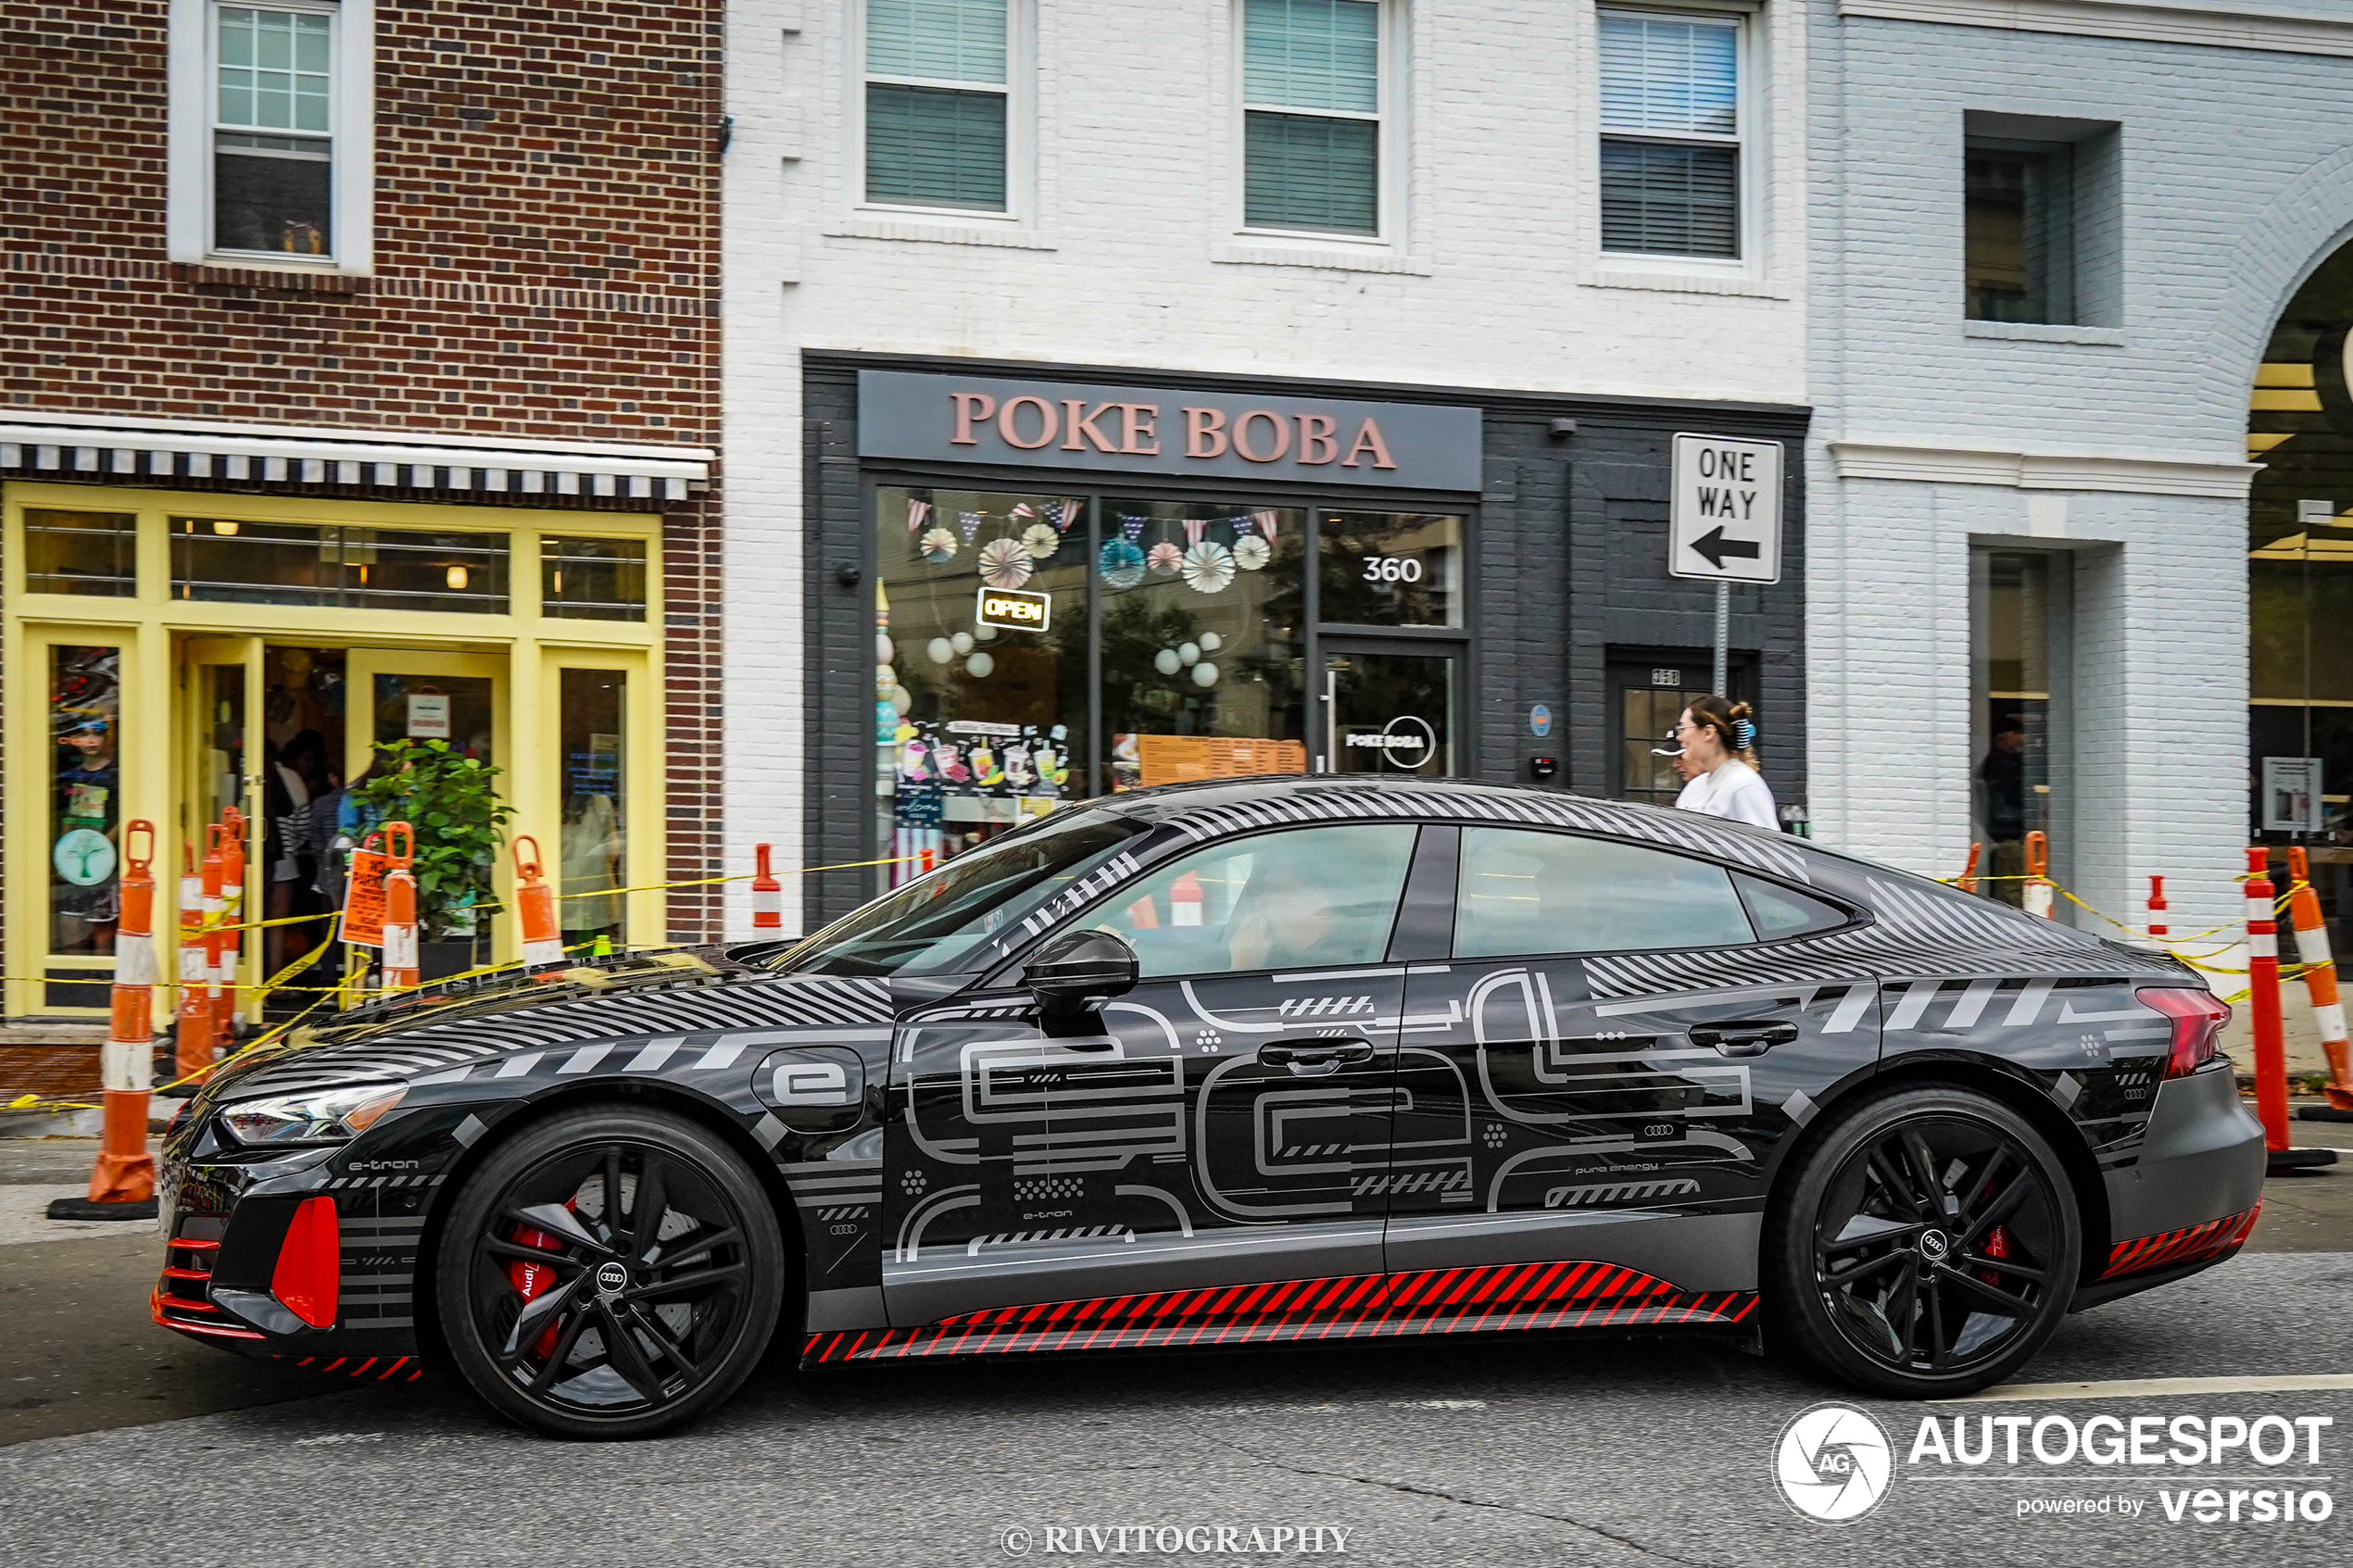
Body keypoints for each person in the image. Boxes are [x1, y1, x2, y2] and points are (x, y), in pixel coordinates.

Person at [1671, 695, 1779, 830]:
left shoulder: (1744, 785)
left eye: (1683, 729)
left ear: (1708, 732)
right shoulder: (1694, 787)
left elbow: (1766, 846)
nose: (1680, 737)